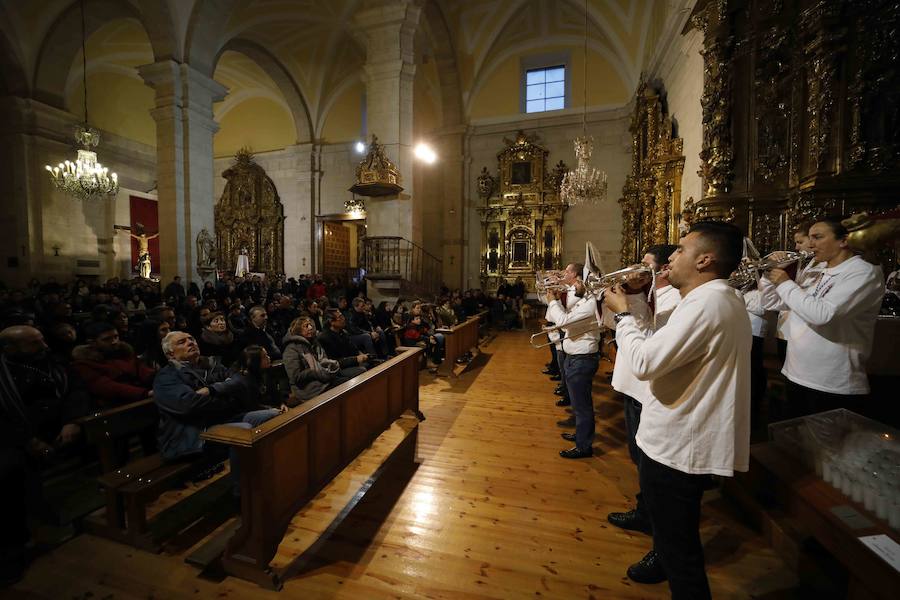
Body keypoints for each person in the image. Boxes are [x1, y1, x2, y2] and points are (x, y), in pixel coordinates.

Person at [604, 221, 750, 598]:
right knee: (675, 544)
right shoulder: (712, 298)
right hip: (677, 435)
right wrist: (635, 301)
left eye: (681, 250)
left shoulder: (708, 302)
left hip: (678, 443)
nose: (672, 256)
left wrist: (621, 316)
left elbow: (646, 361)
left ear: (705, 259)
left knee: (681, 556)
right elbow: (658, 341)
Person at [759, 218, 884, 418]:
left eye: (817, 237)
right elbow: (773, 303)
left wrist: (784, 282)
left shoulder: (863, 272)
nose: (810, 245)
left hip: (832, 382)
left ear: (843, 240)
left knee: (830, 448)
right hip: (796, 372)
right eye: (809, 238)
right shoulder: (815, 269)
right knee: (798, 442)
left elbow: (823, 315)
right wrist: (769, 274)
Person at [0, 326, 91, 585]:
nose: (45, 347)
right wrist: (29, 440)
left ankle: (85, 513)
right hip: (16, 439)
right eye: (35, 344)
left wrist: (72, 421)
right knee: (9, 473)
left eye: (42, 340)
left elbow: (77, 390)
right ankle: (14, 546)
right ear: (10, 349)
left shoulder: (53, 362)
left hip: (62, 429)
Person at [605, 244, 680, 544]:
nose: (638, 270)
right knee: (638, 457)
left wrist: (628, 305)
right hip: (632, 384)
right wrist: (631, 294)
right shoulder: (650, 294)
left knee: (647, 462)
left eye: (645, 265)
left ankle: (652, 519)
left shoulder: (673, 299)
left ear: (662, 269)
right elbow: (616, 324)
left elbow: (646, 340)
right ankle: (644, 510)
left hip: (647, 387)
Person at [152, 331, 280, 493]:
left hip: (220, 421)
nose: (190, 343)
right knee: (243, 430)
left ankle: (269, 476)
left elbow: (239, 380)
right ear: (170, 354)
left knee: (273, 415)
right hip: (193, 434)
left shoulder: (210, 364)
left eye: (191, 339)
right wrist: (226, 398)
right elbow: (188, 405)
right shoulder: (166, 377)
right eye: (182, 342)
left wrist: (213, 390)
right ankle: (243, 494)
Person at [546, 265, 601, 459]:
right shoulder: (579, 296)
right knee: (578, 404)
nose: (572, 283)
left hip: (582, 358)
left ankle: (584, 446)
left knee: (583, 405)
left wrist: (553, 301)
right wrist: (555, 286)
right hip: (573, 356)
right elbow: (564, 300)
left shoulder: (589, 303)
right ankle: (581, 435)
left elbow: (563, 321)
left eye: (576, 280)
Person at [70, 321, 156, 408]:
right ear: (93, 343)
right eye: (107, 339)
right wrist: (145, 393)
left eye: (116, 337)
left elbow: (143, 370)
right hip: (114, 406)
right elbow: (106, 387)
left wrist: (159, 378)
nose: (114, 341)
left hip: (141, 398)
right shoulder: (84, 364)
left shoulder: (125, 353)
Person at [282, 317, 366, 404]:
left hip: (324, 380)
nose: (310, 327)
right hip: (311, 389)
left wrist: (330, 365)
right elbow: (295, 377)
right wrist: (315, 371)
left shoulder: (314, 343)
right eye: (306, 326)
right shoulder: (291, 349)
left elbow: (324, 361)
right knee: (347, 387)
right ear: (298, 329)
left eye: (311, 325)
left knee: (351, 383)